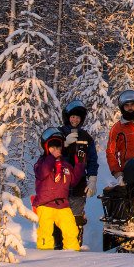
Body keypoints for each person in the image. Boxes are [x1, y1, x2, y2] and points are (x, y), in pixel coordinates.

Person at [56, 100, 99, 248]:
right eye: (72, 116)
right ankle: (57, 247)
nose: (75, 120)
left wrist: (92, 178)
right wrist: (64, 144)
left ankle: (74, 245)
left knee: (77, 216)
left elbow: (93, 159)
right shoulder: (58, 132)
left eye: (78, 117)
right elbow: (47, 155)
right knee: (59, 215)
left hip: (79, 182)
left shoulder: (86, 137)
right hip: (59, 182)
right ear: (67, 117)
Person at [32, 127, 83, 251]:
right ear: (46, 148)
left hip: (63, 205)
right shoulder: (41, 162)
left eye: (58, 147)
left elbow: (74, 180)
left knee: (71, 230)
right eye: (52, 147)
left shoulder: (65, 165)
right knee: (45, 232)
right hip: (45, 205)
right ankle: (45, 255)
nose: (56, 150)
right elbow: (42, 173)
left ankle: (73, 255)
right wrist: (51, 158)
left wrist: (80, 164)